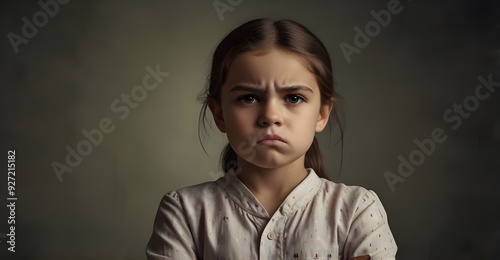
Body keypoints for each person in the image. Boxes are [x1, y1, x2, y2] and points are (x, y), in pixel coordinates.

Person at [146, 18, 397, 259]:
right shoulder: (185, 213)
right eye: (249, 98)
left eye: (294, 98)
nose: (270, 116)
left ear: (322, 113)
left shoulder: (357, 211)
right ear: (220, 114)